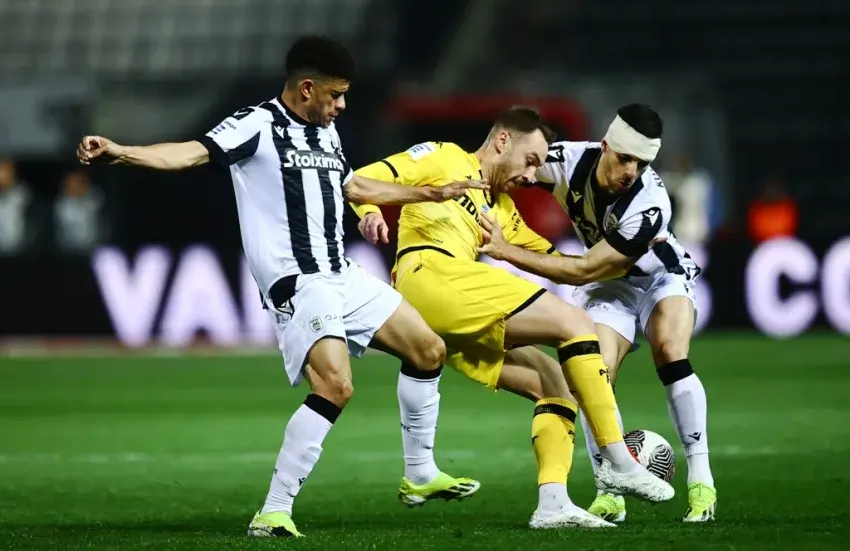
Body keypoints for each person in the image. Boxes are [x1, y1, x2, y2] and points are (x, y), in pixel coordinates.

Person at [76, 35, 483, 538]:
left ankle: (419, 475)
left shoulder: (326, 132)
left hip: (341, 274)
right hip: (299, 281)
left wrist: (429, 193)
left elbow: (353, 185)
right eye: (335, 95)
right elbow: (190, 154)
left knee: (427, 349)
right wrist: (121, 152)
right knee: (334, 386)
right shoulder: (256, 124)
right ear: (307, 88)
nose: (342, 105)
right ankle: (273, 512)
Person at [352, 106, 674, 529]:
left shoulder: (503, 210)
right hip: (429, 275)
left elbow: (558, 262)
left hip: (452, 308)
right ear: (503, 141)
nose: (531, 175)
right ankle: (618, 460)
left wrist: (631, 263)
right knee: (574, 324)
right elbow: (361, 179)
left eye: (539, 166)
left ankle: (553, 503)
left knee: (557, 385)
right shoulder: (445, 156)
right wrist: (370, 211)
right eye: (530, 161)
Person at [477, 104, 717, 523]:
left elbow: (584, 269)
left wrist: (505, 249)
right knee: (591, 371)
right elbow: (503, 164)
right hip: (610, 286)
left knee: (669, 350)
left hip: (659, 277)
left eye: (641, 163)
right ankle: (610, 491)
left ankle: (702, 482)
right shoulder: (567, 162)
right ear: (605, 145)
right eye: (625, 158)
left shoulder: (649, 205)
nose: (631, 171)